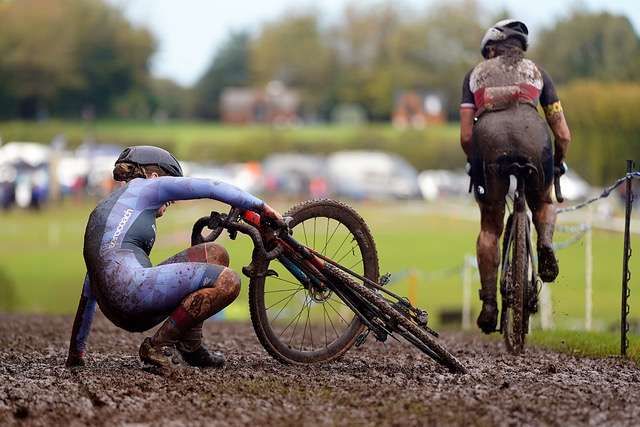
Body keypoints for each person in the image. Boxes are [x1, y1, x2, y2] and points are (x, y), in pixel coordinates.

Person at [65, 146, 282, 368]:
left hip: (117, 307)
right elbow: (211, 187)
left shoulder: (107, 207)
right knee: (229, 281)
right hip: (133, 295)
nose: (173, 200)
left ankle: (191, 345)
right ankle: (159, 345)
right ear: (155, 176)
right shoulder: (149, 186)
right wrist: (261, 207)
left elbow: (89, 290)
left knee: (214, 253)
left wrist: (76, 352)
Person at [459, 20, 571, 334]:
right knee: (543, 201)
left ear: (492, 49)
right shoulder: (538, 73)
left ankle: (489, 304)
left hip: (489, 137)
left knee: (490, 224)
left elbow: (467, 136)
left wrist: (474, 162)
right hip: (533, 132)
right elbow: (562, 133)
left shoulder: (475, 75)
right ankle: (545, 240)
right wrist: (557, 163)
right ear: (520, 48)